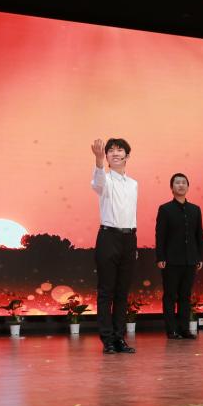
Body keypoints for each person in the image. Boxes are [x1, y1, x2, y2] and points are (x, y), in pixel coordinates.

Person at [91, 137, 137, 354]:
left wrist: (133, 243)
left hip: (129, 238)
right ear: (107, 156)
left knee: (122, 292)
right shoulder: (105, 180)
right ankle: (107, 339)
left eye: (120, 150)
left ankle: (120, 338)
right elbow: (98, 182)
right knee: (106, 291)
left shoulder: (134, 184)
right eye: (111, 151)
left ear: (127, 156)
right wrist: (98, 161)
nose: (115, 153)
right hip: (108, 237)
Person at [155, 173, 203, 339]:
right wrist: (160, 257)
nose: (181, 185)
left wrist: (200, 257)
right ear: (172, 187)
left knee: (185, 296)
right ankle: (172, 330)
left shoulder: (195, 210)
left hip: (190, 260)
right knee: (170, 296)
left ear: (188, 187)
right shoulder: (165, 209)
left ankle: (184, 328)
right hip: (170, 260)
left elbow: (199, 235)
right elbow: (160, 235)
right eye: (177, 183)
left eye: (184, 183)